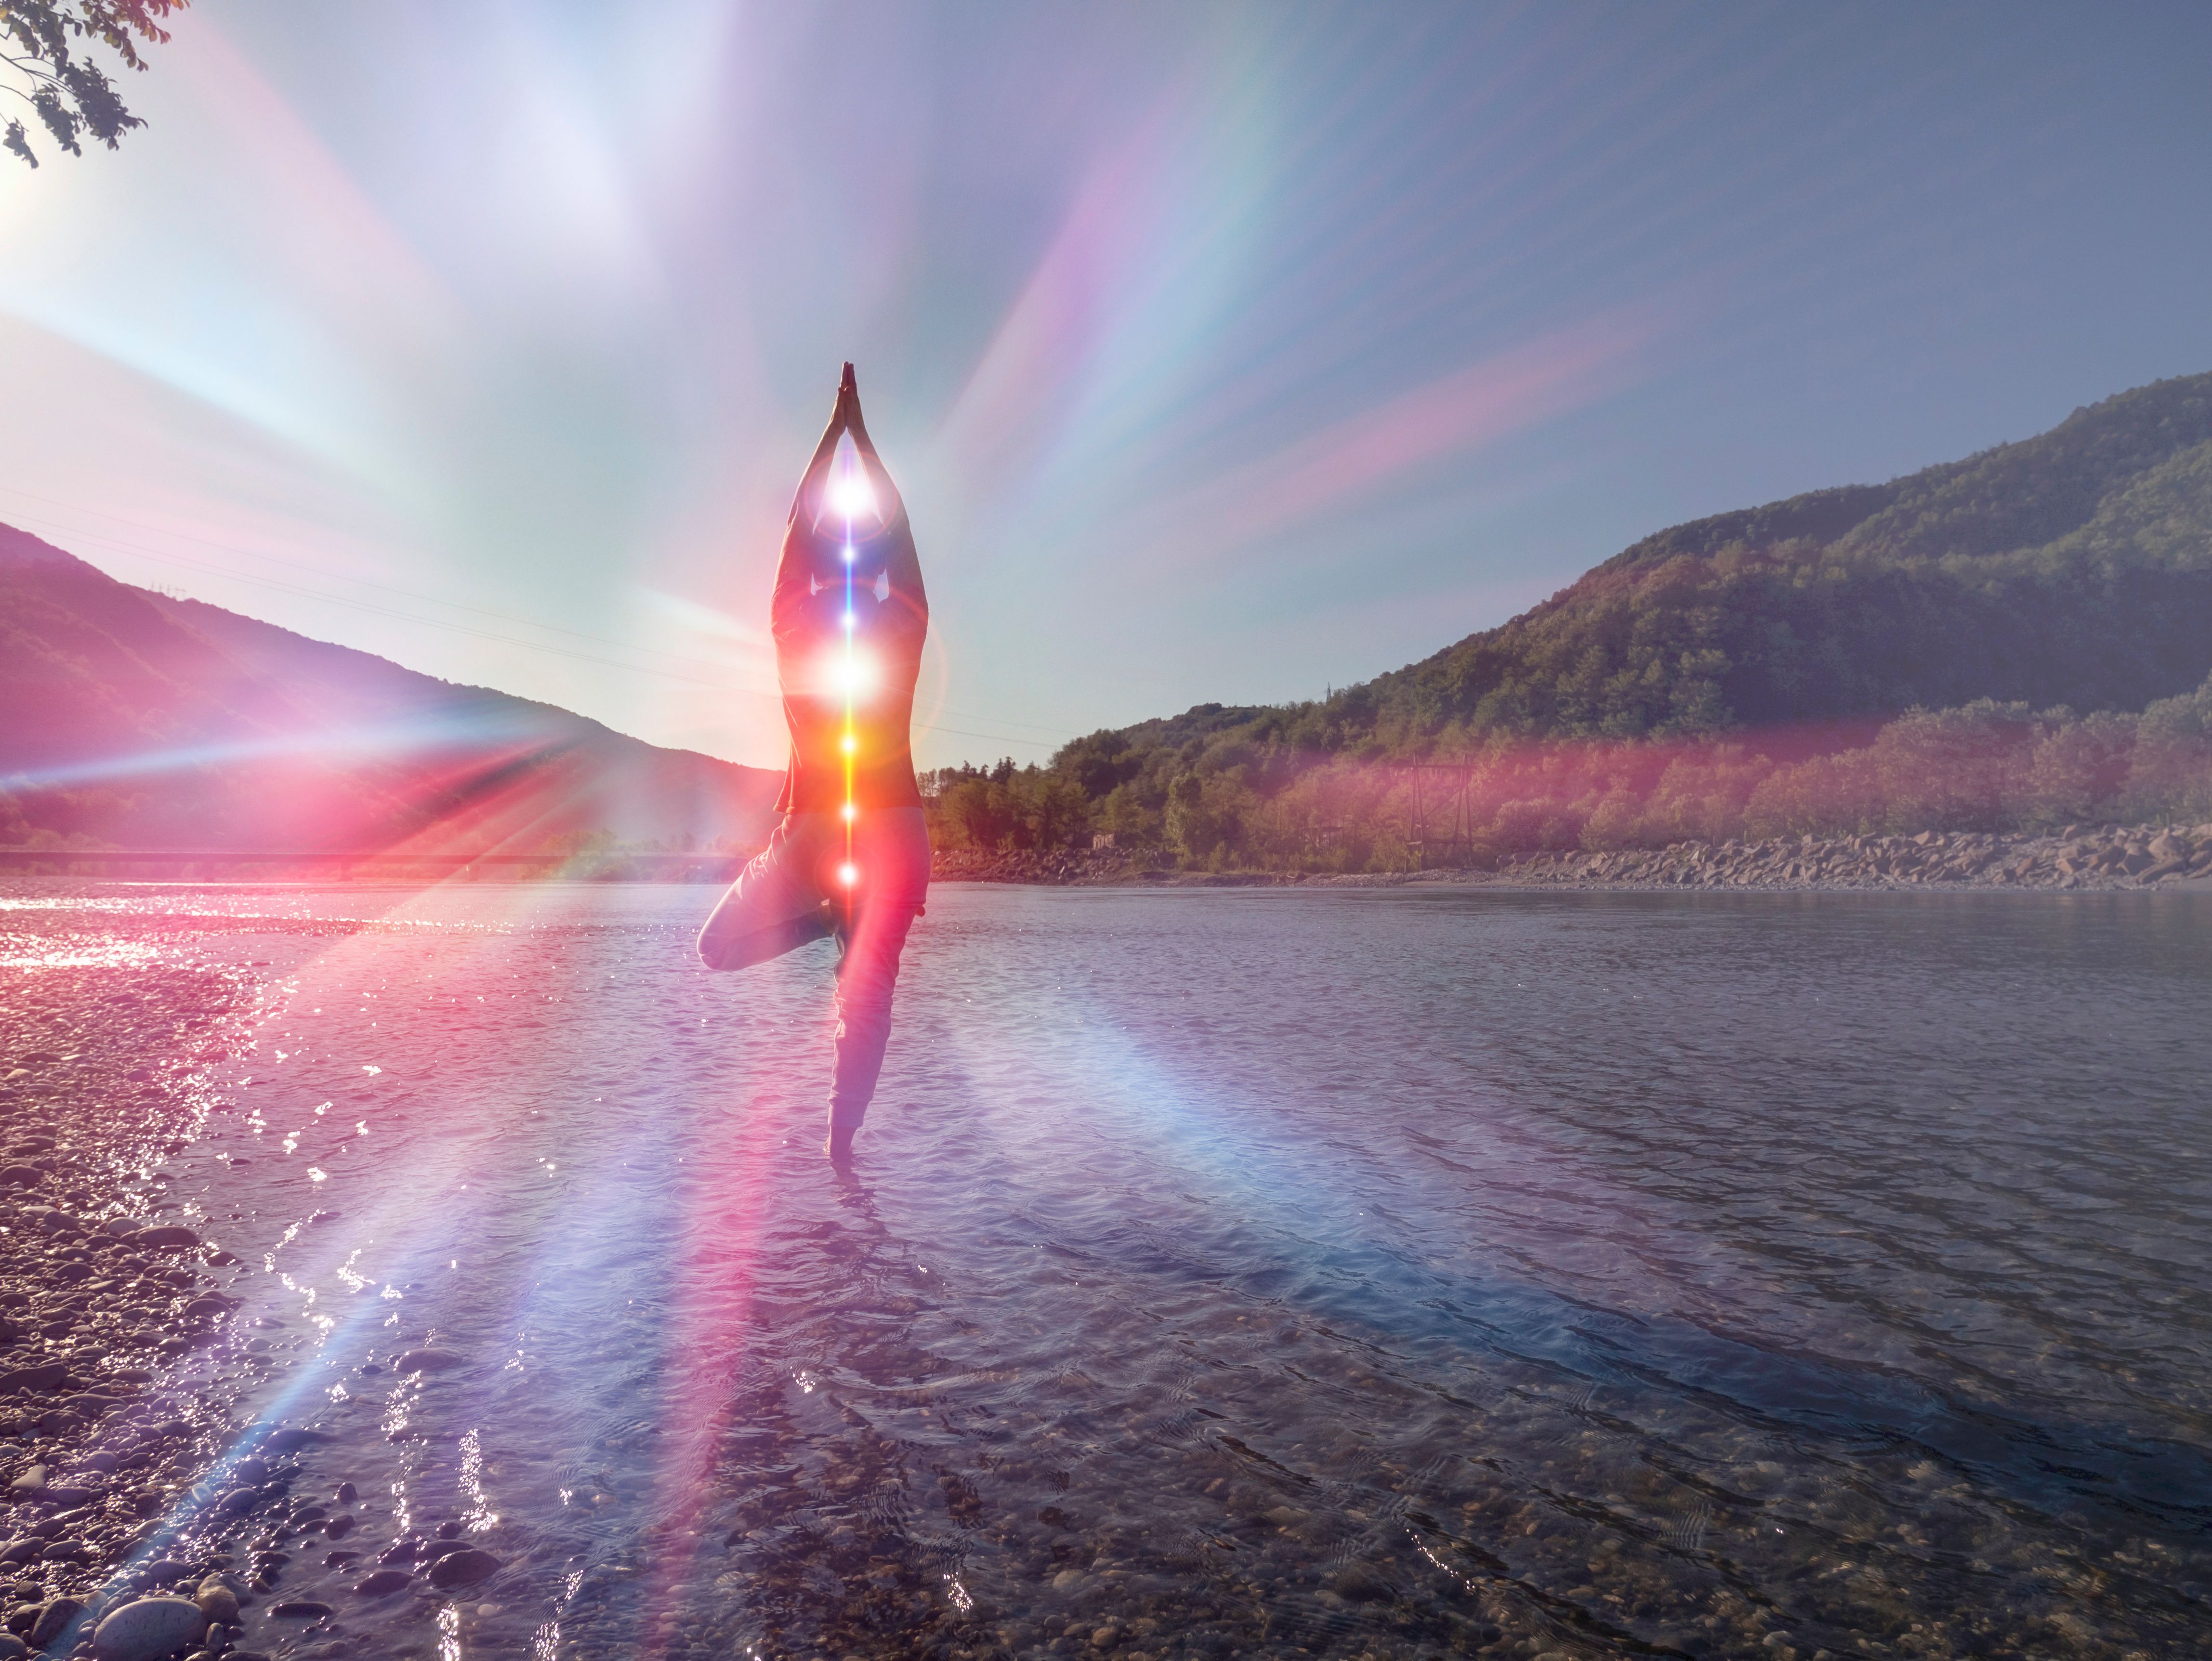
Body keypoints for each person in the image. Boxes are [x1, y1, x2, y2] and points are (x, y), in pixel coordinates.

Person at [698, 364, 931, 1161]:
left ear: (817, 582)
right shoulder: (901, 632)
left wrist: (834, 435)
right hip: (898, 835)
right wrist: (865, 442)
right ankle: (841, 1156)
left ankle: (828, 915)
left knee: (717, 949)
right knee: (868, 1000)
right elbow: (900, 536)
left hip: (816, 833)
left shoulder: (793, 633)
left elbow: (801, 524)